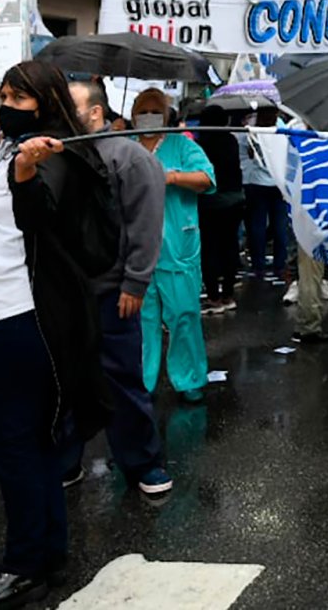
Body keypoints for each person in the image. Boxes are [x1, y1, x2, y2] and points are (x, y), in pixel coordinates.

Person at [0, 62, 115, 609]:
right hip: (2, 313)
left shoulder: (55, 154)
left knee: (13, 443)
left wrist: (25, 173)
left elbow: (41, 220)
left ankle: (24, 564)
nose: (4, 105)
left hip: (24, 318)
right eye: (2, 95)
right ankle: (48, 553)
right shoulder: (16, 149)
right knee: (36, 442)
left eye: (16, 97)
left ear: (44, 101)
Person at [66, 80, 173, 493]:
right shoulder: (59, 154)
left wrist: (135, 281)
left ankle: (143, 462)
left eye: (72, 106)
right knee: (68, 381)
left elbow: (146, 224)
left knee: (122, 381)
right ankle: (66, 459)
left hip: (114, 292)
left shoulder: (128, 158)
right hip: (67, 293)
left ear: (96, 112)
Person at [131, 88, 215, 404]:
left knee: (183, 313)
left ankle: (189, 377)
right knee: (142, 319)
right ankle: (142, 380)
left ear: (166, 114)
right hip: (137, 248)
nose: (149, 116)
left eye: (155, 110)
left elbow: (207, 178)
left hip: (177, 245)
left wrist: (174, 177)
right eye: (143, 110)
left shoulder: (182, 145)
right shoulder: (127, 146)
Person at [195, 102, 244, 314]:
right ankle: (228, 294)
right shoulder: (231, 140)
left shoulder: (201, 144)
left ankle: (213, 296)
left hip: (209, 202)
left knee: (209, 248)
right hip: (234, 200)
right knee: (230, 246)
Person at [241, 104, 288, 282]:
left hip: (256, 183)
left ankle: (258, 266)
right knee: (280, 226)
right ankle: (280, 266)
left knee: (257, 226)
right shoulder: (282, 127)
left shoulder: (252, 128)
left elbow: (249, 154)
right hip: (278, 182)